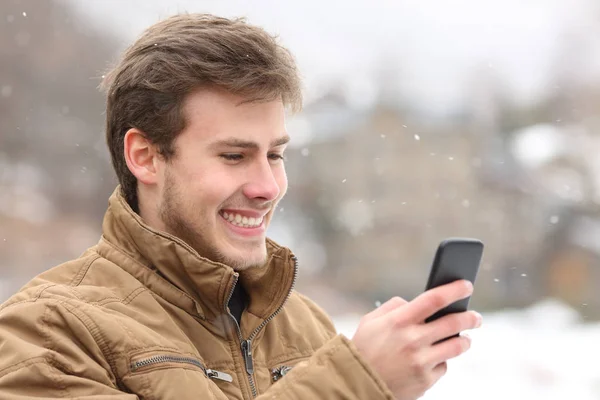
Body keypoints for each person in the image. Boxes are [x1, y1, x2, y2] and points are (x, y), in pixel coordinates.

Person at [0, 13, 482, 399]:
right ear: (145, 157)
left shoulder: (305, 324)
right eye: (234, 156)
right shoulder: (47, 332)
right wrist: (355, 384)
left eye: (274, 155)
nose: (267, 186)